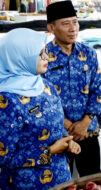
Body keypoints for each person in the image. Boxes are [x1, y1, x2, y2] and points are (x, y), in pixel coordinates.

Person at [0, 28, 81, 189]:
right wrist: (49, 151)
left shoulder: (45, 86)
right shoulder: (6, 101)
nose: (47, 57)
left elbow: (53, 126)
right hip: (26, 184)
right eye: (39, 54)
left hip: (60, 178)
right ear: (20, 57)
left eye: (46, 52)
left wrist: (67, 141)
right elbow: (4, 158)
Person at [43, 1, 101, 177]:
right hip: (57, 134)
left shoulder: (88, 53)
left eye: (75, 22)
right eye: (65, 23)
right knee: (60, 181)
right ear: (51, 28)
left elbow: (97, 90)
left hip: (88, 131)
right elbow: (41, 97)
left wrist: (84, 123)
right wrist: (68, 125)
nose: (72, 28)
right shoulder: (43, 56)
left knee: (93, 178)